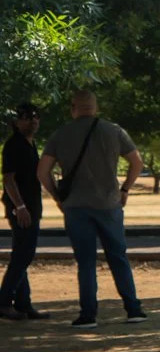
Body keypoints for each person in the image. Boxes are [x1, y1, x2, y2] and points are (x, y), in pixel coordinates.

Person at [36, 91, 147, 327]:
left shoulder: (61, 134)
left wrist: (58, 197)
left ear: (73, 107)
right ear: (95, 107)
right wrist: (125, 189)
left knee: (86, 262)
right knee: (118, 256)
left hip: (76, 206)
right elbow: (137, 162)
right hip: (109, 204)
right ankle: (133, 309)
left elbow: (42, 172)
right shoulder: (114, 131)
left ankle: (88, 314)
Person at [1, 103, 47, 321]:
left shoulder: (30, 144)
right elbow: (8, 179)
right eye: (27, 117)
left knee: (22, 254)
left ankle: (23, 304)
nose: (33, 121)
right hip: (22, 209)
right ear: (16, 121)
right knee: (23, 255)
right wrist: (19, 206)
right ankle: (3, 302)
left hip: (32, 207)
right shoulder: (14, 145)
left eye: (36, 116)